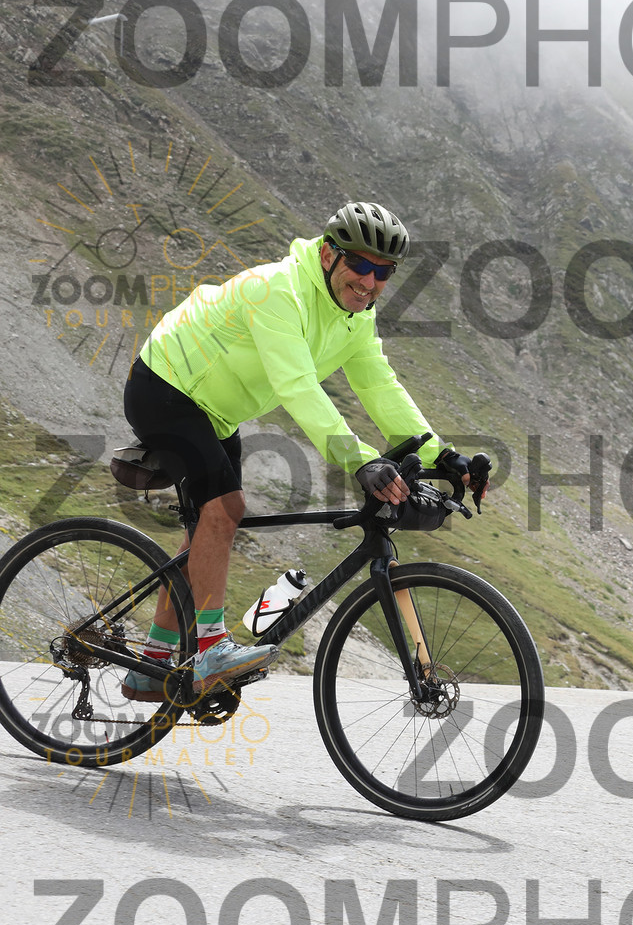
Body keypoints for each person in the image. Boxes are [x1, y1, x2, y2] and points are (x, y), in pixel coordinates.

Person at [121, 201, 484, 700]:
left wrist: (442, 456)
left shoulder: (355, 316)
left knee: (205, 530)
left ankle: (151, 665)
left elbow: (379, 386)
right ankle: (209, 650)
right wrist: (361, 460)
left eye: (383, 272)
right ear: (329, 255)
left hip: (217, 412)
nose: (370, 282)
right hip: (166, 386)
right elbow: (297, 386)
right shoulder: (278, 289)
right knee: (225, 508)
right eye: (360, 264)